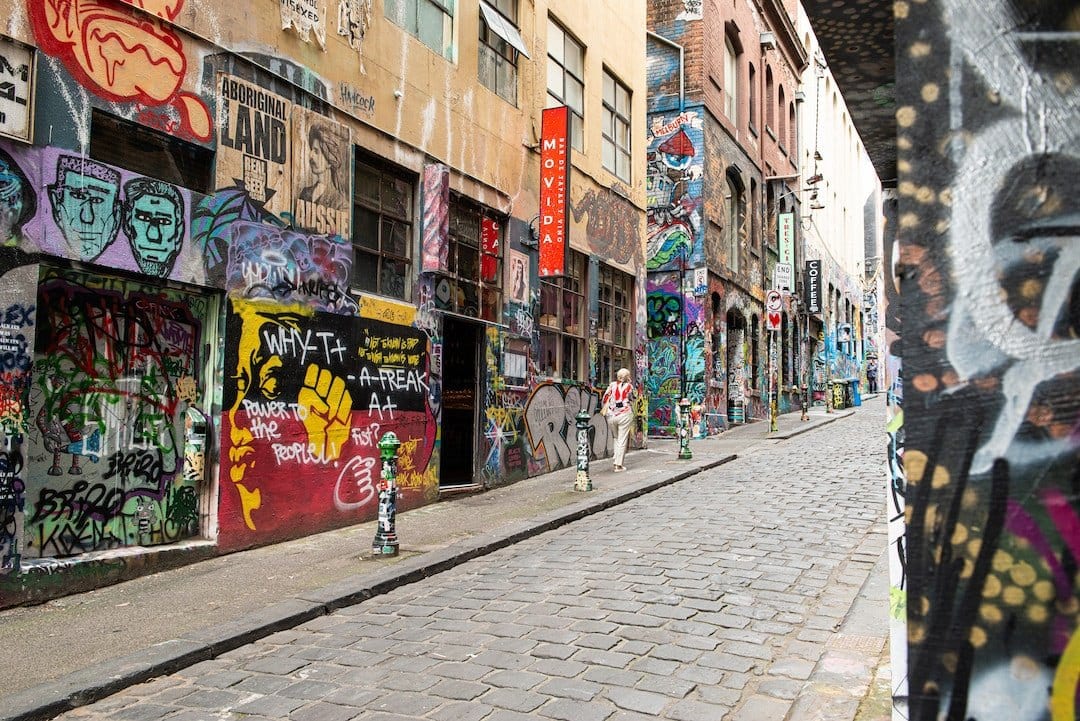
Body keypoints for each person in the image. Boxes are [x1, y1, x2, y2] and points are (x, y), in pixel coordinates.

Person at [299, 123, 347, 208]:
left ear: (329, 162)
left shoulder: (340, 203)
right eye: (311, 150)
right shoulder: (305, 192)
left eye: (316, 152)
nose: (311, 155)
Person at [602, 367, 636, 472]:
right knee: (622, 439)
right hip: (624, 414)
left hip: (611, 415)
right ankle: (618, 464)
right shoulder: (629, 387)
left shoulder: (612, 385)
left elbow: (604, 399)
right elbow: (634, 397)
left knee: (616, 438)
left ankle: (616, 460)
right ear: (627, 377)